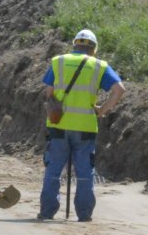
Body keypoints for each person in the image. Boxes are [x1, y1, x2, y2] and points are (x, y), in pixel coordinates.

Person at [39, 28, 125, 222]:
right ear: (94, 49)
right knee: (85, 173)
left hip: (59, 125)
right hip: (86, 127)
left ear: (74, 45)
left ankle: (47, 212)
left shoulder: (59, 62)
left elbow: (49, 93)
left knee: (53, 170)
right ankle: (84, 215)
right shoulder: (99, 66)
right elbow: (119, 89)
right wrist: (102, 110)